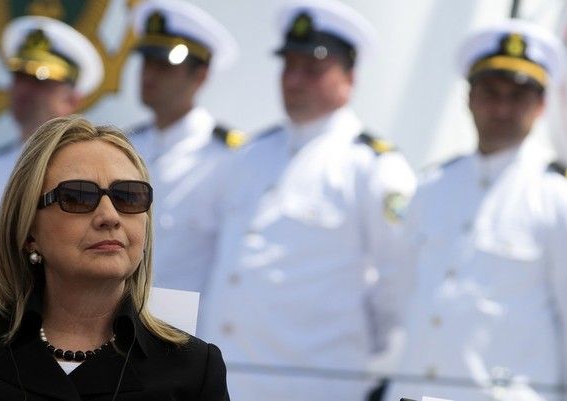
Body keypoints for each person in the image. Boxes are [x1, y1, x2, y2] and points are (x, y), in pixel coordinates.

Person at [198, 1, 416, 400]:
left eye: (313, 69)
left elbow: (400, 283)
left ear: (349, 77)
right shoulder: (251, 154)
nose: (295, 80)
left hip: (310, 385)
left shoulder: (372, 167)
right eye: (289, 65)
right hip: (224, 381)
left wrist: (349, 352)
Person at [0, 115, 229, 400]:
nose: (110, 217)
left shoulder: (195, 368)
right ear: (28, 232)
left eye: (129, 197)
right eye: (77, 197)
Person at [384, 19, 567, 401]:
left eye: (517, 96)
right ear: (469, 97)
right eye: (490, 92)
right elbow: (400, 296)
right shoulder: (433, 186)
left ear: (541, 104)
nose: (501, 107)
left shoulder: (557, 197)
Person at [127, 0, 246, 293]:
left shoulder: (230, 158)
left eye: (164, 64)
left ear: (201, 75)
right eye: (146, 61)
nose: (149, 74)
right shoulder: (123, 146)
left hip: (189, 332)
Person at [0, 15, 104, 270]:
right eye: (19, 76)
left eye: (40, 80)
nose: (24, 89)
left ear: (72, 99)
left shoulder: (90, 173)